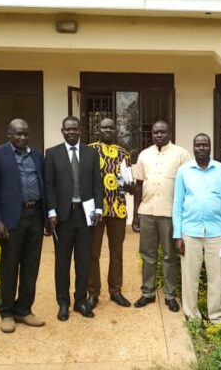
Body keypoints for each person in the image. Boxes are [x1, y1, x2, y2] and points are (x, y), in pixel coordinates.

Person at [0, 118, 46, 333]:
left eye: (25, 134)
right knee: (10, 266)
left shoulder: (37, 155)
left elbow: (44, 184)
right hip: (12, 219)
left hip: (35, 215)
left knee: (31, 266)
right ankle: (7, 312)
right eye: (18, 134)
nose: (22, 137)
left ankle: (24, 309)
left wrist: (47, 216)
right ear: (9, 134)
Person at [45, 116, 104, 321]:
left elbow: (98, 183)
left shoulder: (91, 153)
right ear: (62, 131)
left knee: (83, 260)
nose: (71, 132)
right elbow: (49, 186)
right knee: (62, 262)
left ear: (81, 130)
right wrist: (51, 212)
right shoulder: (52, 153)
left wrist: (98, 209)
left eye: (74, 129)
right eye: (67, 129)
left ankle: (80, 301)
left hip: (85, 215)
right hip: (62, 217)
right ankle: (63, 303)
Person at [173, 133, 221, 323]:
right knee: (190, 278)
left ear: (210, 147)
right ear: (193, 147)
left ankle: (217, 317)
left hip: (216, 234)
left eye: (205, 145)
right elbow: (177, 205)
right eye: (198, 145)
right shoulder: (184, 171)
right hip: (189, 233)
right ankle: (192, 316)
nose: (201, 148)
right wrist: (178, 236)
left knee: (216, 278)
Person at [131, 120, 191, 312]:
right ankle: (147, 293)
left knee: (169, 255)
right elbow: (139, 186)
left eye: (162, 132)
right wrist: (135, 215)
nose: (158, 135)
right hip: (147, 212)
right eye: (155, 132)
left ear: (169, 133)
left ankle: (170, 295)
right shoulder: (144, 155)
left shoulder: (181, 154)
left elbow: (188, 185)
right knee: (147, 255)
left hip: (170, 213)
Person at [86, 118, 133, 309]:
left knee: (117, 252)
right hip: (94, 211)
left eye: (111, 127)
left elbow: (128, 185)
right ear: (98, 129)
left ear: (116, 130)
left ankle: (115, 290)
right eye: (104, 127)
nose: (107, 130)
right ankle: (93, 292)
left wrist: (130, 186)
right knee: (92, 253)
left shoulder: (124, 154)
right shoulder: (89, 150)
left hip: (118, 209)